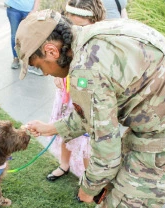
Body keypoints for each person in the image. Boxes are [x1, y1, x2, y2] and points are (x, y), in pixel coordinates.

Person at [15, 9, 165, 208]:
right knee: (114, 191)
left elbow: (106, 155)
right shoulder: (93, 36)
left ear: (51, 51)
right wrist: (51, 128)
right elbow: (94, 113)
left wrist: (87, 188)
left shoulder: (85, 70)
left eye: (39, 67)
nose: (45, 74)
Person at [47, 0, 127, 181]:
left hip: (85, 95)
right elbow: (57, 58)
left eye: (81, 26)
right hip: (66, 94)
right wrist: (57, 75)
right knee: (64, 128)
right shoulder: (67, 36)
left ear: (95, 23)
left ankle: (86, 176)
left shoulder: (100, 45)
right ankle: (64, 165)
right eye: (71, 24)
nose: (75, 30)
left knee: (83, 135)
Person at [4, 0, 43, 76]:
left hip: (29, 11)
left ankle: (29, 62)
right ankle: (16, 58)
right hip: (13, 9)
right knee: (15, 36)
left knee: (29, 37)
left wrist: (34, 10)